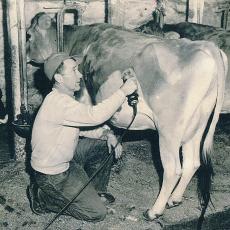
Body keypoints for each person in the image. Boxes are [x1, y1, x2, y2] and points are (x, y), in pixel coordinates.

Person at [27, 52, 138, 222]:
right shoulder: (59, 103)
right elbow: (94, 115)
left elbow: (79, 128)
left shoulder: (63, 99)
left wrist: (106, 134)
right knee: (96, 213)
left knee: (103, 145)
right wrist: (123, 92)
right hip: (52, 175)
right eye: (74, 71)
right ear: (59, 78)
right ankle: (42, 197)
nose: (79, 75)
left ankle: (95, 190)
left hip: (66, 161)